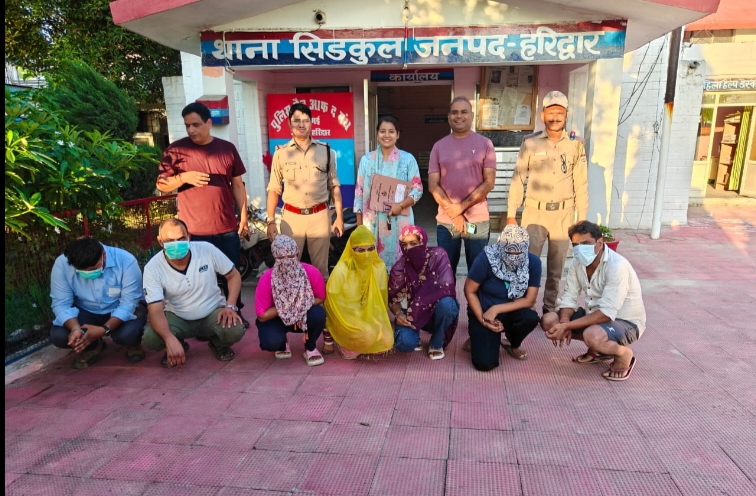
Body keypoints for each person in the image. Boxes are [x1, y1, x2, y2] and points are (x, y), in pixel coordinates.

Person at [156, 102, 250, 328]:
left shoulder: (227, 149)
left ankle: (234, 311)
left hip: (225, 226)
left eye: (196, 125)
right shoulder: (176, 151)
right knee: (198, 277)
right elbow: (161, 184)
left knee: (231, 273)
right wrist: (183, 178)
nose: (191, 130)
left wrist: (244, 217)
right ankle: (200, 319)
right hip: (193, 230)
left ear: (209, 123)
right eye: (187, 125)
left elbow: (237, 186)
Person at [506, 90, 589, 315]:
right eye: (550, 112)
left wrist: (581, 219)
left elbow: (581, 183)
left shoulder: (575, 145)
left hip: (564, 214)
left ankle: (549, 308)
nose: (555, 117)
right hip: (534, 212)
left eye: (559, 113)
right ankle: (526, 307)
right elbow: (518, 179)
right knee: (528, 264)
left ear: (566, 115)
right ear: (543, 115)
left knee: (556, 268)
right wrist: (511, 214)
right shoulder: (530, 143)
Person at [541, 221, 646, 381]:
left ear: (600, 243)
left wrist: (567, 327)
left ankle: (623, 354)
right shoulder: (577, 262)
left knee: (592, 335)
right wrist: (564, 321)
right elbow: (569, 297)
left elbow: (607, 313)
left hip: (626, 322)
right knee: (549, 321)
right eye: (575, 245)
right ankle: (600, 350)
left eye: (586, 243)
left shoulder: (617, 266)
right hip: (595, 317)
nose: (580, 249)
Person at [141, 219, 246, 368]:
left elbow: (234, 275)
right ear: (160, 241)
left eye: (181, 239)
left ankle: (218, 344)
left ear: (189, 237)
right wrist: (169, 339)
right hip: (177, 316)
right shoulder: (152, 268)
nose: (177, 244)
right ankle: (177, 344)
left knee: (235, 329)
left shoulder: (206, 250)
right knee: (150, 339)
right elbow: (155, 311)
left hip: (212, 311)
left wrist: (230, 306)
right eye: (170, 241)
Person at [266, 102, 344, 279]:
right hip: (292, 218)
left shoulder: (326, 151)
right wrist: (270, 221)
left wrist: (339, 217)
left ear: (311, 123)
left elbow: (334, 186)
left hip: (319, 216)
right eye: (297, 120)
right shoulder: (281, 153)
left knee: (321, 272)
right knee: (288, 270)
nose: (301, 124)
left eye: (306, 120)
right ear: (289, 123)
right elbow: (274, 189)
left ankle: (320, 298)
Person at [49, 237, 146, 369]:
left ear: (104, 255)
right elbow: (61, 303)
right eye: (82, 271)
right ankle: (93, 346)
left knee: (128, 334)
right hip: (85, 311)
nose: (88, 273)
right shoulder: (62, 264)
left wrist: (104, 329)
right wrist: (75, 328)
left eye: (93, 269)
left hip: (119, 307)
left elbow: (129, 303)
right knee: (59, 336)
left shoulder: (126, 261)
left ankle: (132, 344)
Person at [428, 96, 497, 276]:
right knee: (445, 273)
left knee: (478, 272)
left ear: (472, 115)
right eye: (454, 112)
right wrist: (454, 212)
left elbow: (489, 182)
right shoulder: (438, 146)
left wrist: (461, 207)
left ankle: (474, 297)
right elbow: (433, 185)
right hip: (447, 221)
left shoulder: (485, 144)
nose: (459, 116)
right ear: (449, 116)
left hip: (477, 220)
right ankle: (450, 297)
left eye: (464, 112)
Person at [464, 225, 542, 371]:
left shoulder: (533, 262)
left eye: (518, 253)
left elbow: (530, 300)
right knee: (485, 364)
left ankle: (512, 342)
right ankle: (478, 335)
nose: (513, 257)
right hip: (484, 311)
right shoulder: (485, 259)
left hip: (510, 310)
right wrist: (483, 319)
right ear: (501, 246)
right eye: (509, 252)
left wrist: (497, 309)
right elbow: (469, 291)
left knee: (530, 318)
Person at [354, 116, 423, 270]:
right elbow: (359, 193)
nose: (387, 135)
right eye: (382, 131)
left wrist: (401, 205)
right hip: (372, 222)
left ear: (398, 134)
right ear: (376, 134)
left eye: (391, 131)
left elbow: (417, 189)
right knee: (372, 266)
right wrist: (359, 227)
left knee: (401, 265)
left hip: (400, 219)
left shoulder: (407, 160)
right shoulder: (366, 160)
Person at [389, 225, 459, 360]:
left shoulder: (438, 256)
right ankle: (415, 336)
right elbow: (393, 300)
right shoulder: (399, 268)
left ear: (423, 241)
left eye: (413, 243)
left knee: (448, 305)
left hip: (435, 311)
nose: (409, 248)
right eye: (404, 244)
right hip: (410, 315)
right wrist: (398, 314)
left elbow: (447, 289)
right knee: (404, 344)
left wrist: (420, 301)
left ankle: (436, 341)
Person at [324, 226, 393, 359]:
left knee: (387, 339)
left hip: (369, 311)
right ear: (351, 249)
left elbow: (380, 299)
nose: (366, 254)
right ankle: (342, 341)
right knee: (368, 334)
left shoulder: (379, 267)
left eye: (370, 249)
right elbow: (331, 302)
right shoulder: (342, 269)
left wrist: (377, 321)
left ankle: (358, 340)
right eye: (360, 250)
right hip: (346, 314)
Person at [255, 235, 326, 366]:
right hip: (277, 318)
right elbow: (262, 316)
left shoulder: (311, 272)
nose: (287, 261)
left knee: (318, 314)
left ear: (297, 253)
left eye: (291, 256)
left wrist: (298, 306)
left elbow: (320, 298)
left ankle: (310, 347)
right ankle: (282, 343)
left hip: (303, 315)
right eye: (281, 258)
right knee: (270, 342)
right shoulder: (266, 278)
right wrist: (288, 306)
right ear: (275, 257)